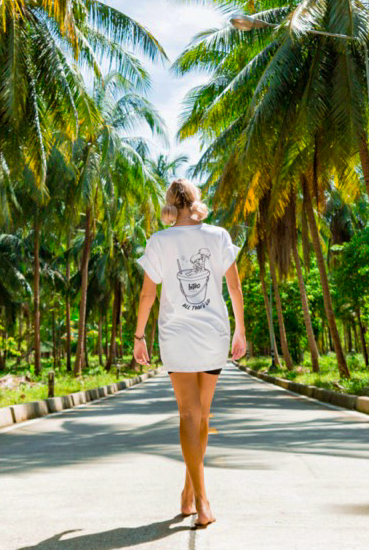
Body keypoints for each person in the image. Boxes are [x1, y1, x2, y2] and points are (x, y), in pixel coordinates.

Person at [132, 178, 246, 530]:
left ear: (170, 204)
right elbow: (234, 285)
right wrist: (240, 329)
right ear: (195, 201)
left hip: (177, 334)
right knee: (202, 414)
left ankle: (201, 499)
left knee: (188, 414)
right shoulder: (218, 235)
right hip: (213, 332)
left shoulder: (159, 241)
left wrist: (139, 336)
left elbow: (148, 295)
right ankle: (191, 493)